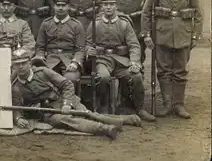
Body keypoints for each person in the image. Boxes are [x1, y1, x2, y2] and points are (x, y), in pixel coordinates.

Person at [10, 46, 141, 140]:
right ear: (13, 66)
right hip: (48, 112)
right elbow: (16, 106)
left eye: (23, 63)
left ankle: (126, 119)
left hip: (65, 99)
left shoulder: (43, 72)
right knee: (70, 121)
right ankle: (105, 129)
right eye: (17, 65)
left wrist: (67, 103)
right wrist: (18, 118)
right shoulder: (16, 86)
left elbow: (66, 84)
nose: (20, 67)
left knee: (87, 114)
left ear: (29, 62)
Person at [141, 0, 203, 119]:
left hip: (183, 34)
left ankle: (179, 105)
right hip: (162, 34)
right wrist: (146, 34)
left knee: (180, 70)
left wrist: (195, 35)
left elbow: (198, 12)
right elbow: (146, 12)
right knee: (164, 70)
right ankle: (167, 104)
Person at [86, 0, 155, 121]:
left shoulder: (124, 24)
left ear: (116, 6)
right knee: (103, 77)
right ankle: (104, 106)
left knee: (137, 76)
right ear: (101, 7)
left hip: (121, 61)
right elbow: (87, 44)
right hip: (102, 60)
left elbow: (134, 45)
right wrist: (89, 51)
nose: (108, 7)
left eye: (111, 4)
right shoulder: (95, 24)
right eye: (105, 4)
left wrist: (134, 62)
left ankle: (139, 108)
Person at [33, 0, 85, 83]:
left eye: (63, 5)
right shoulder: (46, 24)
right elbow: (40, 47)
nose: (60, 8)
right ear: (54, 6)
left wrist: (75, 62)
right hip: (50, 60)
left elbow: (80, 49)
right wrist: (40, 57)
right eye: (58, 5)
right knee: (43, 78)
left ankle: (69, 97)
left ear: (68, 7)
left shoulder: (76, 25)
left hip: (69, 60)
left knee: (70, 79)